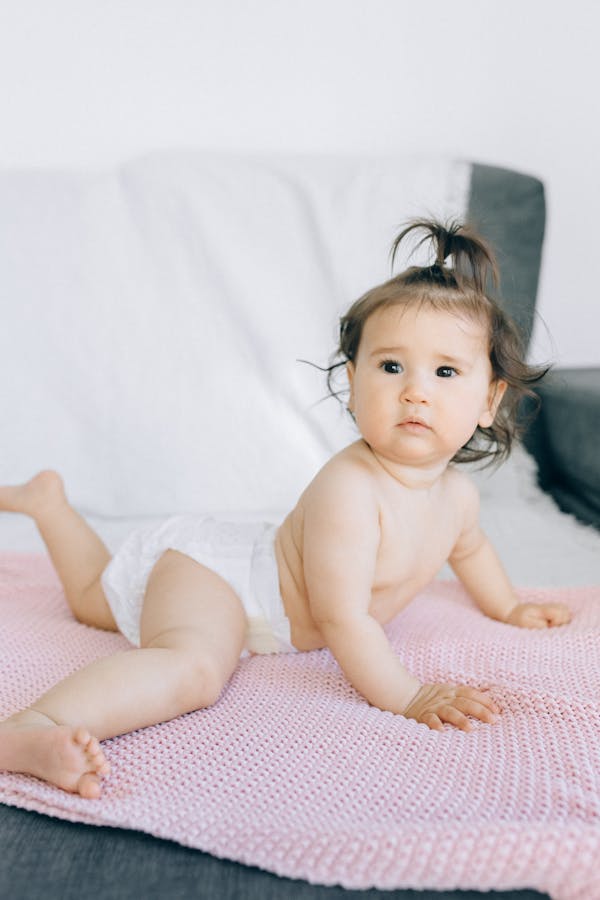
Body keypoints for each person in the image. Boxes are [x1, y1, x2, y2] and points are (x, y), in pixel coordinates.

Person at [0, 219, 572, 799]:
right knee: (192, 668)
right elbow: (343, 617)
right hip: (223, 581)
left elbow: (470, 547)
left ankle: (48, 505)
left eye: (445, 371)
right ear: (352, 383)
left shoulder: (458, 496)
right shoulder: (349, 489)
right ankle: (29, 729)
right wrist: (407, 695)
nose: (415, 391)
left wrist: (508, 607)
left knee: (101, 601)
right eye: (391, 366)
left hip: (250, 579)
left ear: (489, 399)